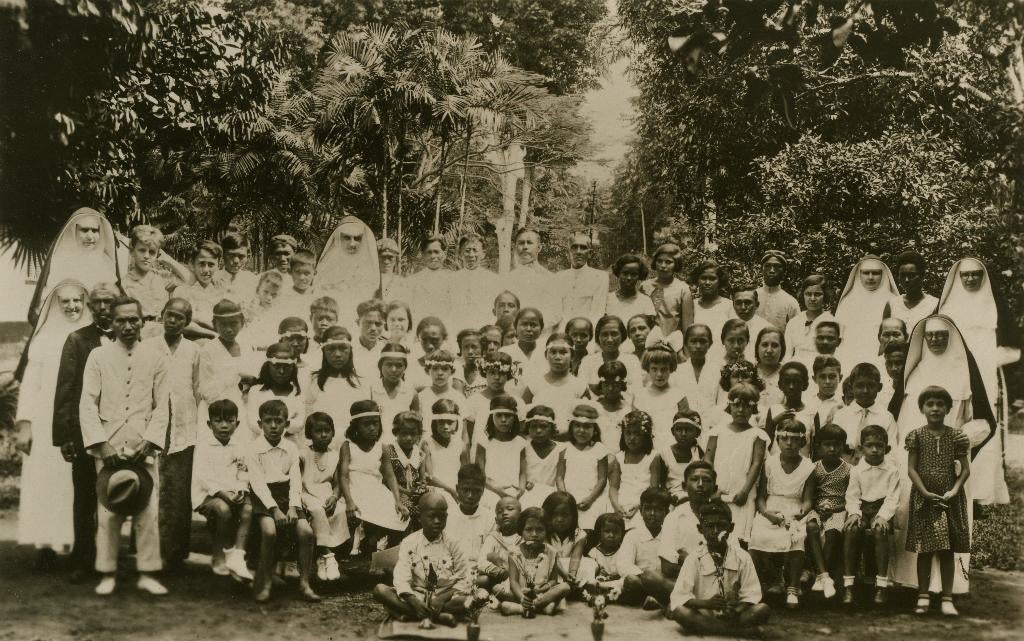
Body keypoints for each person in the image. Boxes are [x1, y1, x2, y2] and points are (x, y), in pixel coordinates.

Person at [890, 315, 995, 597]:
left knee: (948, 525)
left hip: (949, 462)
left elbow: (985, 420)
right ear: (922, 339)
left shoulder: (965, 372)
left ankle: (947, 588)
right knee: (910, 518)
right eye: (930, 335)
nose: (935, 339)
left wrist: (967, 436)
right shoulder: (914, 371)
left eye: (941, 335)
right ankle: (909, 583)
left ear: (952, 338)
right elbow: (895, 413)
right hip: (911, 462)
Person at [79, 296, 171, 596]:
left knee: (147, 510)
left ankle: (147, 571)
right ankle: (107, 571)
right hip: (109, 443)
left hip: (143, 442)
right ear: (112, 323)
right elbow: (88, 403)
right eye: (121, 320)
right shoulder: (98, 357)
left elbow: (162, 405)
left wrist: (150, 442)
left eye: (134, 320)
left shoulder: (157, 357)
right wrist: (101, 445)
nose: (128, 326)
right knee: (109, 509)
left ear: (143, 321)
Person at [15, 280, 91, 566]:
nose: (72, 307)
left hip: (79, 417)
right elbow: (30, 386)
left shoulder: (92, 335)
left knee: (76, 483)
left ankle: (77, 545)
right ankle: (46, 543)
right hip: (46, 418)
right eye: (65, 301)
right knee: (46, 481)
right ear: (55, 304)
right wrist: (25, 424)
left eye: (78, 301)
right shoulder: (44, 339)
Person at [936, 257, 1019, 506]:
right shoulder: (947, 306)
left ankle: (982, 492)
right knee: (953, 423)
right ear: (957, 278)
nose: (970, 279)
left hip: (985, 376)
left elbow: (1014, 349)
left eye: (975, 275)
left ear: (984, 277)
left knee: (984, 424)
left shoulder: (994, 305)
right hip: (954, 375)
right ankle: (951, 485)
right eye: (965, 275)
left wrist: (989, 361)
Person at [52, 281, 119, 582]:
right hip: (83, 431)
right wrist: (64, 436)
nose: (103, 308)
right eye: (98, 303)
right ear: (90, 307)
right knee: (85, 497)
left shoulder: (128, 337)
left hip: (117, 430)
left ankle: (111, 559)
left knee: (116, 494)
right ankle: (83, 559)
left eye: (109, 302)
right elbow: (65, 389)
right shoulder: (77, 340)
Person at [904, 386, 971, 616]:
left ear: (948, 408)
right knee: (924, 549)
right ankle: (922, 595)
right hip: (925, 499)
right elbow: (911, 469)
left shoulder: (956, 437)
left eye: (940, 404)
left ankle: (947, 597)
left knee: (947, 550)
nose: (935, 408)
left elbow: (965, 471)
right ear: (922, 408)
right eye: (930, 404)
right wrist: (923, 492)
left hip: (948, 499)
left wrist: (953, 491)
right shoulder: (916, 435)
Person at [247, 399, 319, 602]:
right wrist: (275, 510)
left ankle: (304, 583)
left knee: (306, 532)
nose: (273, 426)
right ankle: (266, 582)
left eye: (278, 421)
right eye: (268, 421)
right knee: (269, 532)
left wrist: (294, 507)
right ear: (260, 424)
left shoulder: (292, 448)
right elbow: (258, 483)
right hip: (264, 496)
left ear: (286, 424)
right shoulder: (253, 449)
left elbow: (296, 479)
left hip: (287, 496)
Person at [668, 501, 770, 638]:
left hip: (733, 615)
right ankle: (737, 632)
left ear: (731, 527)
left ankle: (707, 628)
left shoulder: (742, 557)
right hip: (703, 613)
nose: (716, 531)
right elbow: (679, 596)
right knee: (679, 612)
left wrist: (737, 609)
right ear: (700, 529)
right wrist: (707, 604)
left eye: (721, 525)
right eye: (710, 526)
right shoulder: (693, 559)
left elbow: (752, 594)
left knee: (763, 610)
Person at [372, 492, 470, 625]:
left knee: (468, 600)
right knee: (380, 590)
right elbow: (401, 578)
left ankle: (413, 615)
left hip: (446, 596)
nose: (437, 521)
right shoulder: (409, 542)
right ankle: (438, 617)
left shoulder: (454, 543)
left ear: (446, 517)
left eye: (441, 517)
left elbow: (464, 578)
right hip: (417, 595)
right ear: (419, 517)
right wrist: (414, 601)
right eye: (431, 516)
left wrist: (441, 598)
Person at [154, 298, 201, 570]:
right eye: (169, 315)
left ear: (186, 322)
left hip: (184, 423)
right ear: (162, 315)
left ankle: (175, 553)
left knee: (179, 490)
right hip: (157, 421)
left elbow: (197, 388)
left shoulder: (193, 351)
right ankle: (150, 550)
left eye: (180, 318)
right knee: (157, 486)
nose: (173, 321)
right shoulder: (149, 346)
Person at [748, 419, 815, 608]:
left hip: (794, 509)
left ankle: (792, 587)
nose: (789, 444)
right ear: (777, 441)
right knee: (758, 535)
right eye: (784, 439)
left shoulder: (809, 466)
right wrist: (767, 513)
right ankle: (756, 585)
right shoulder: (769, 463)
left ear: (803, 442)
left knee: (797, 536)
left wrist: (801, 513)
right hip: (770, 508)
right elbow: (761, 497)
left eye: (794, 440)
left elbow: (808, 499)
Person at [191, 399, 254, 581]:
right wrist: (223, 494)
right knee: (223, 510)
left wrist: (241, 490)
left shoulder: (240, 446)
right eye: (218, 421)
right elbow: (204, 478)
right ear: (209, 424)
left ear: (237, 423)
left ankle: (238, 556)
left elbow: (243, 472)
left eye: (229, 421)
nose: (224, 426)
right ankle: (220, 555)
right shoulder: (204, 446)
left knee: (248, 509)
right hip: (208, 496)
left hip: (232, 493)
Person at [27, 207, 120, 327]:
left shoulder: (106, 262)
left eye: (95, 230)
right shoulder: (61, 261)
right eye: (84, 230)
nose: (90, 236)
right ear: (73, 230)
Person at [339, 400, 410, 553]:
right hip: (355, 489)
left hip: (376, 490)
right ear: (356, 426)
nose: (372, 428)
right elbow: (343, 476)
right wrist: (349, 501)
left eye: (375, 423)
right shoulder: (348, 446)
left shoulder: (382, 448)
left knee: (397, 514)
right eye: (366, 424)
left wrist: (397, 501)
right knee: (364, 515)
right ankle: (366, 545)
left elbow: (390, 476)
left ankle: (387, 552)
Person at [842, 424, 900, 606]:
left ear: (887, 448)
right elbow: (852, 496)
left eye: (879, 445)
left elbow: (892, 498)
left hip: (882, 509)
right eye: (869, 445)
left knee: (880, 531)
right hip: (862, 509)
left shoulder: (892, 470)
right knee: (851, 530)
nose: (874, 450)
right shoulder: (856, 470)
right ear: (861, 448)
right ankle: (848, 586)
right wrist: (854, 514)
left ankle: (881, 586)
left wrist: (883, 517)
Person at [705, 382, 769, 543]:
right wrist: (713, 489)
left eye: (746, 406)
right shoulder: (716, 432)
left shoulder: (758, 435)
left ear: (753, 409)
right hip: (718, 490)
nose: (741, 410)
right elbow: (707, 461)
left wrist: (745, 492)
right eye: (737, 405)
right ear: (729, 407)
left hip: (743, 492)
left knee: (739, 536)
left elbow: (756, 464)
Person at [198, 299, 258, 437]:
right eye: (223, 325)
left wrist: (249, 382)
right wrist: (235, 375)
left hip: (243, 407)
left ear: (242, 323)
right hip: (216, 410)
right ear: (214, 325)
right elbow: (205, 390)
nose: (229, 329)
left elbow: (253, 378)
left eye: (233, 323)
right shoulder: (209, 350)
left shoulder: (246, 346)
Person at [300, 412, 349, 581]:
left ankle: (322, 559)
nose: (323, 435)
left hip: (327, 493)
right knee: (316, 510)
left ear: (333, 432)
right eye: (318, 431)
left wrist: (335, 497)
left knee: (340, 510)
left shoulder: (335, 455)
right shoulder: (303, 454)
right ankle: (329, 556)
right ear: (309, 434)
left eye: (327, 430)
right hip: (306, 492)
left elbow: (337, 483)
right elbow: (297, 481)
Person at [804, 423, 848, 601]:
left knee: (832, 533)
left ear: (843, 446)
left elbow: (851, 495)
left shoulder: (849, 470)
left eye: (837, 445)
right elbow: (810, 495)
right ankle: (824, 576)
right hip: (817, 509)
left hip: (839, 510)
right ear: (818, 447)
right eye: (827, 444)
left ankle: (822, 576)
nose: (832, 449)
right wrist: (819, 508)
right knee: (812, 528)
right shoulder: (813, 468)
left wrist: (833, 511)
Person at [501, 507, 572, 616]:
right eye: (529, 529)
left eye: (539, 529)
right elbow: (513, 582)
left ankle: (530, 607)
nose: (534, 534)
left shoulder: (551, 552)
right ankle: (538, 607)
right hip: (520, 592)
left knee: (565, 587)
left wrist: (542, 589)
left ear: (546, 530)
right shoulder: (514, 553)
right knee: (497, 589)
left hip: (542, 593)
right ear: (521, 531)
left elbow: (553, 580)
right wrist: (522, 598)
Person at [658, 461, 721, 581]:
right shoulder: (674, 517)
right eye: (694, 479)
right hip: (685, 582)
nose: (701, 484)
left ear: (715, 488)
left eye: (707, 480)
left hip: (716, 582)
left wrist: (687, 559)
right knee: (650, 577)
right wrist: (706, 565)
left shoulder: (723, 515)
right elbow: (667, 567)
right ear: (684, 486)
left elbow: (731, 562)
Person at [835, 255, 899, 368]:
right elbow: (838, 338)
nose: (870, 277)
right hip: (850, 358)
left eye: (875, 273)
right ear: (859, 274)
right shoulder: (847, 302)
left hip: (882, 359)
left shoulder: (894, 302)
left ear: (883, 274)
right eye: (866, 273)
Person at [307, 326, 368, 442]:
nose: (337, 354)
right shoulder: (314, 380)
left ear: (350, 350)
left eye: (343, 348)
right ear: (323, 351)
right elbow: (308, 416)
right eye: (331, 349)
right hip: (322, 442)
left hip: (353, 442)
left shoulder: (361, 381)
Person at [316, 216, 380, 324]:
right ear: (339, 239)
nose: (352, 244)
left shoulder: (369, 272)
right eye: (347, 238)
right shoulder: (325, 269)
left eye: (357, 238)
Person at [521, 333, 588, 436]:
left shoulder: (580, 386)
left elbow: (586, 419)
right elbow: (522, 416)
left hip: (569, 444)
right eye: (553, 352)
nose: (557, 357)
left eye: (563, 352)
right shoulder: (534, 384)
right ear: (546, 355)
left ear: (572, 355)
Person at [556, 401, 609, 531]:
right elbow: (559, 477)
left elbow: (602, 479)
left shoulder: (599, 449)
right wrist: (565, 497)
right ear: (572, 427)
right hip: (568, 496)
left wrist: (590, 499)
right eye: (577, 426)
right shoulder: (565, 449)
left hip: (591, 496)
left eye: (587, 427)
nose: (581, 430)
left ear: (594, 430)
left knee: (589, 523)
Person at [620, 487, 674, 607]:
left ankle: (658, 599)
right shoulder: (632, 535)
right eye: (648, 509)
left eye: (658, 509)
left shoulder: (671, 536)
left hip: (663, 583)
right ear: (641, 511)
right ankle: (657, 600)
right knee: (630, 580)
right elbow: (624, 565)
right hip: (641, 581)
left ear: (667, 512)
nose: (652, 514)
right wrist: (646, 577)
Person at [831, 363, 898, 455]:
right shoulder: (841, 416)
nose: (865, 390)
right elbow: (834, 447)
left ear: (879, 387)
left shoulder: (887, 418)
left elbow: (891, 452)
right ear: (851, 387)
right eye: (859, 385)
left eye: (871, 385)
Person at [247, 342, 305, 444]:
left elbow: (299, 424)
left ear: (293, 368)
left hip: (290, 446)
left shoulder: (298, 393)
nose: (281, 371)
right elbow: (253, 423)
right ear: (268, 366)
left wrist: (268, 424)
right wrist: (286, 423)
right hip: (260, 446)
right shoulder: (256, 391)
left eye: (286, 367)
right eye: (277, 366)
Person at [475, 395, 527, 504]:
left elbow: (523, 472)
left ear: (514, 417)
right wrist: (497, 490)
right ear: (491, 417)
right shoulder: (483, 442)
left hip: (514, 491)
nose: (503, 420)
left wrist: (521, 490)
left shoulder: (520, 443)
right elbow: (480, 474)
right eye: (498, 415)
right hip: (490, 490)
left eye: (508, 416)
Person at [608, 410, 659, 523]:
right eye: (628, 433)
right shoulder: (619, 457)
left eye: (637, 434)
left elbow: (653, 488)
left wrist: (639, 506)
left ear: (646, 436)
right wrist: (616, 506)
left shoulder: (652, 457)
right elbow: (613, 487)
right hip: (620, 504)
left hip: (643, 505)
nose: (632, 438)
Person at [385, 411, 428, 533]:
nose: (409, 438)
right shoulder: (389, 451)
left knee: (430, 503)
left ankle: (422, 537)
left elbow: (422, 478)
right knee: (407, 506)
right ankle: (402, 539)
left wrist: (421, 488)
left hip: (413, 492)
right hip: (396, 491)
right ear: (396, 432)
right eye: (404, 434)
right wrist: (406, 492)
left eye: (413, 434)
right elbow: (387, 480)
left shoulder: (419, 453)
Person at [633, 344, 682, 450]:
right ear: (648, 369)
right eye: (654, 369)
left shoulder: (678, 395)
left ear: (671, 369)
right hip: (647, 446)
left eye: (664, 369)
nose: (659, 374)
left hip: (672, 446)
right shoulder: (640, 395)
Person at [640, 242, 694, 337]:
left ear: (676, 264)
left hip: (672, 344)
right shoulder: (645, 286)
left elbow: (687, 325)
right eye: (659, 261)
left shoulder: (682, 289)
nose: (663, 265)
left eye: (668, 262)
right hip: (647, 342)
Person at [507, 228, 557, 329]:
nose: (525, 247)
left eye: (529, 243)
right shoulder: (508, 279)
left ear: (539, 248)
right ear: (515, 247)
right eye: (521, 243)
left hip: (541, 334)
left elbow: (555, 314)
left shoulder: (551, 279)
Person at [556, 231, 609, 328]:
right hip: (561, 334)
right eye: (574, 247)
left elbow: (597, 313)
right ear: (569, 252)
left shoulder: (600, 277)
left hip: (586, 333)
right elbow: (555, 312)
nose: (578, 252)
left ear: (590, 253)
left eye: (583, 247)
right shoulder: (558, 277)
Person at [578, 315, 644, 392]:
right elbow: (581, 390)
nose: (609, 339)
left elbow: (637, 390)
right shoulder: (588, 361)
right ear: (598, 337)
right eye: (604, 334)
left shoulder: (632, 360)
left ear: (622, 335)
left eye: (614, 334)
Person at [446, 464, 495, 566]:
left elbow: (491, 553)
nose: (470, 496)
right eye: (465, 490)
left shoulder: (490, 518)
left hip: (481, 572)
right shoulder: (447, 517)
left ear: (483, 491)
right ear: (457, 489)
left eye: (476, 491)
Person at [451, 233, 501, 333]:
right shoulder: (451, 279)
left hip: (484, 331)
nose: (471, 255)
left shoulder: (494, 280)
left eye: (475, 250)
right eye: (467, 250)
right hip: (457, 331)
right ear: (461, 254)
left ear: (483, 253)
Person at [671, 324, 720, 426]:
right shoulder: (677, 372)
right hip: (685, 429)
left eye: (703, 341)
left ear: (710, 344)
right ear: (686, 344)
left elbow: (721, 403)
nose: (698, 346)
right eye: (693, 341)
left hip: (712, 426)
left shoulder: (718, 371)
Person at [172, 240, 224, 332]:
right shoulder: (182, 291)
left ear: (218, 266)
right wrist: (212, 334)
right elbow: (178, 324)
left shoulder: (222, 293)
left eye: (211, 265)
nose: (206, 270)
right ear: (192, 264)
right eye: (201, 264)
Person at [408, 234, 456, 333]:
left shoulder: (454, 279)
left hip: (447, 331)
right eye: (429, 252)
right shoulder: (413, 281)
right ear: (423, 255)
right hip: (421, 332)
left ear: (444, 254)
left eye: (436, 252)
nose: (433, 256)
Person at [370, 343, 417, 443]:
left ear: (405, 367)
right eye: (389, 364)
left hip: (403, 445)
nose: (393, 369)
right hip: (376, 444)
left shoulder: (410, 391)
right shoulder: (371, 389)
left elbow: (417, 425)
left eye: (399, 365)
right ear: (380, 366)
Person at [476, 497, 523, 596]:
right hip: (499, 579)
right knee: (484, 580)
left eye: (510, 509)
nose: (505, 513)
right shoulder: (493, 538)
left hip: (521, 580)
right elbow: (481, 562)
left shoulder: (523, 537)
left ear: (521, 515)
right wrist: (501, 572)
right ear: (496, 520)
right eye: (500, 511)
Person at [520, 405, 564, 509]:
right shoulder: (522, 447)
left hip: (551, 497)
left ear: (552, 428)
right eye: (534, 426)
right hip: (527, 496)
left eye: (543, 426)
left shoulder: (562, 449)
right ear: (528, 428)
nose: (538, 431)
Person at [422, 399, 467, 501]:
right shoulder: (426, 444)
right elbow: (429, 477)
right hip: (437, 489)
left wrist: (459, 490)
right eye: (441, 422)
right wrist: (450, 490)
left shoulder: (461, 445)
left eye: (450, 422)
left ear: (456, 422)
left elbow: (465, 474)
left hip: (457, 489)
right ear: (434, 422)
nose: (446, 426)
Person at [784, 274, 835, 362]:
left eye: (817, 294)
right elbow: (786, 355)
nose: (812, 298)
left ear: (825, 296)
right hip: (796, 371)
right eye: (808, 294)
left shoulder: (832, 322)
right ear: (803, 295)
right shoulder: (794, 322)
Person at [884, 250, 938, 330]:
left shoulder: (934, 304)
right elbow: (884, 336)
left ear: (922, 276)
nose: (906, 280)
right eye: (902, 275)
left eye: (911, 275)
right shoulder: (892, 304)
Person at [500, 307, 547, 398]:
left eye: (533, 325)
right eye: (524, 324)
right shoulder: (504, 352)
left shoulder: (547, 352)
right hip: (510, 404)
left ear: (541, 328)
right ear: (515, 326)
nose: (529, 329)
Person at [659, 411, 704, 504]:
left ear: (697, 432)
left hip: (696, 499)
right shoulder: (664, 453)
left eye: (688, 430)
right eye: (679, 429)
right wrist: (669, 498)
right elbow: (660, 485)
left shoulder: (699, 453)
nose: (683, 434)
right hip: (672, 501)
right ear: (673, 431)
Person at [689, 260, 734, 344]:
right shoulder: (691, 305)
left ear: (719, 281)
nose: (707, 282)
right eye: (703, 278)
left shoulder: (729, 306)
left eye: (712, 279)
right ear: (697, 280)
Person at [756, 250, 800, 330]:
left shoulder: (791, 303)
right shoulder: (751, 297)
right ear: (762, 269)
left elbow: (796, 334)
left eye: (777, 266)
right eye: (768, 266)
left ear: (784, 271)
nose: (772, 270)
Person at [606, 254, 656, 322]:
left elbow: (651, 327)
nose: (629, 278)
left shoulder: (645, 301)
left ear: (639, 276)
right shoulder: (607, 299)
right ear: (618, 274)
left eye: (633, 274)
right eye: (625, 273)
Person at [214, 232, 259, 305]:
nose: (236, 261)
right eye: (231, 255)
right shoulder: (213, 279)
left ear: (247, 257)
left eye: (241, 256)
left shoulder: (253, 281)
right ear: (223, 255)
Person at [731, 287, 773, 363]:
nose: (743, 307)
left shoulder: (768, 329)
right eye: (738, 303)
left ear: (757, 305)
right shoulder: (724, 328)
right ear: (733, 305)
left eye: (747, 302)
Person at [351, 299, 387, 377]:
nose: (373, 328)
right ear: (358, 323)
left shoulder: (387, 350)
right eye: (368, 323)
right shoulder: (348, 349)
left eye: (378, 324)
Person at [377, 237, 407, 302]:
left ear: (396, 259)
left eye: (390, 257)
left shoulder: (402, 283)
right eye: (383, 257)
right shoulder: (371, 281)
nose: (386, 261)